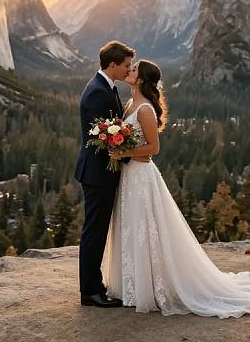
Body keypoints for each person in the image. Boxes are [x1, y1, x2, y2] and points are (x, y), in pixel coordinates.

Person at [103, 59, 250, 317]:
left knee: (145, 228)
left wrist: (122, 151)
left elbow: (154, 149)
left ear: (141, 79)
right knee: (131, 226)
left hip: (141, 176)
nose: (128, 70)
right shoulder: (131, 103)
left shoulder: (144, 109)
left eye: (133, 69)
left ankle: (149, 288)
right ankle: (131, 285)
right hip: (129, 174)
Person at [75, 41, 150, 308]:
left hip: (101, 173)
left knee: (97, 230)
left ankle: (95, 287)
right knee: (94, 231)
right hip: (97, 174)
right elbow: (103, 139)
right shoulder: (98, 92)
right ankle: (90, 292)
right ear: (112, 65)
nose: (129, 69)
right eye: (126, 65)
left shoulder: (105, 87)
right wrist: (128, 154)